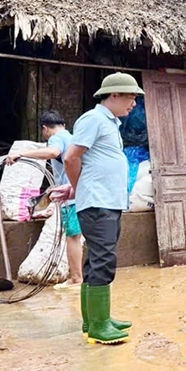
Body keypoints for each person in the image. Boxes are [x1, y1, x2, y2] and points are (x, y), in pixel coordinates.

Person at [55, 72, 142, 345]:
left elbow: (90, 164)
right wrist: (78, 186)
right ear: (114, 95)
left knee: (95, 261)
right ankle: (99, 326)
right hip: (98, 202)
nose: (134, 104)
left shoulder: (109, 123)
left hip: (106, 200)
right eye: (131, 97)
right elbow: (71, 157)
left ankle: (93, 320)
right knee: (104, 260)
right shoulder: (93, 119)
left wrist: (75, 186)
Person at [7, 110, 84, 289]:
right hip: (80, 193)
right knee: (81, 235)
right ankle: (83, 277)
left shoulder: (56, 139)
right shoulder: (70, 136)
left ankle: (76, 279)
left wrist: (22, 154)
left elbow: (53, 152)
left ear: (45, 129)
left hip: (72, 196)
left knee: (73, 237)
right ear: (63, 124)